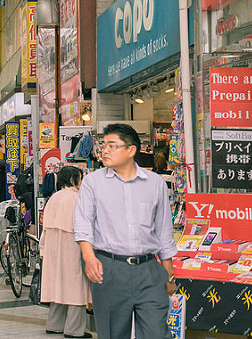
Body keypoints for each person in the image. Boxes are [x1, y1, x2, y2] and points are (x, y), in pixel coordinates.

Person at [74, 123, 177, 339]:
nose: (105, 150)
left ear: (131, 150)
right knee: (112, 333)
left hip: (149, 270)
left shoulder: (155, 184)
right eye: (103, 145)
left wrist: (169, 274)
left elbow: (164, 231)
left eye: (112, 146)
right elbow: (83, 223)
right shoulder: (93, 182)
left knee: (156, 333)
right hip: (109, 269)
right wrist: (89, 257)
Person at [42, 166, 92, 338]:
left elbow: (45, 228)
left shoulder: (54, 198)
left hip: (52, 248)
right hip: (72, 247)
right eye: (80, 178)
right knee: (75, 286)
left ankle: (54, 324)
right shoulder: (76, 198)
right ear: (72, 180)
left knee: (58, 284)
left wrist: (42, 249)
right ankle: (74, 329)